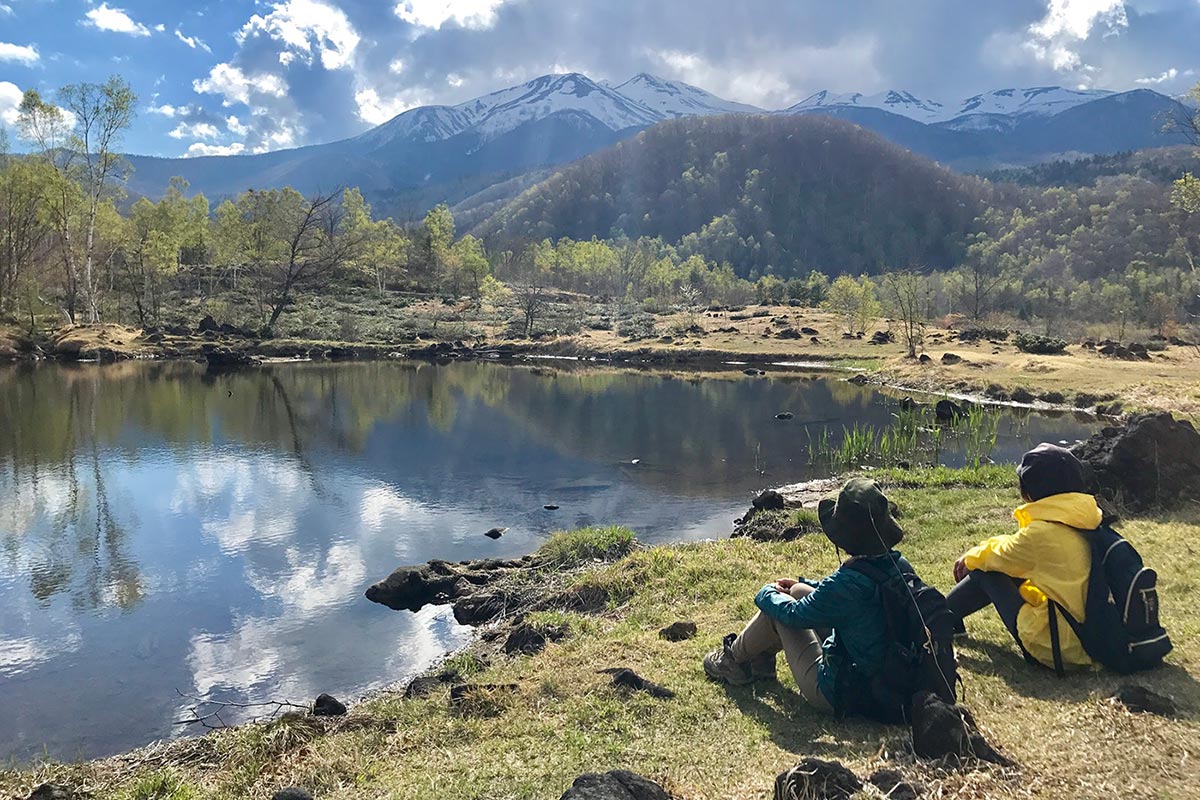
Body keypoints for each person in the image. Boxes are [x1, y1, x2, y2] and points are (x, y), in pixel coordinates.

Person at [702, 477, 913, 714]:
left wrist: (765, 592)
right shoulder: (898, 565)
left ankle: (732, 660)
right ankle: (760, 661)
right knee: (798, 591)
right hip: (889, 676)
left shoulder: (848, 584)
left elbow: (793, 615)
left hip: (843, 692)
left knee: (778, 611)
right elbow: (840, 598)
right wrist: (801, 585)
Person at [946, 442, 1102, 671]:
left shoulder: (1040, 535)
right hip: (1096, 640)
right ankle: (946, 618)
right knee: (1000, 563)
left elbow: (1000, 556)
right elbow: (1015, 547)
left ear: (1029, 492)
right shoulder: (1089, 520)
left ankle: (938, 619)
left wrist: (968, 559)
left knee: (985, 571)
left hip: (1061, 649)